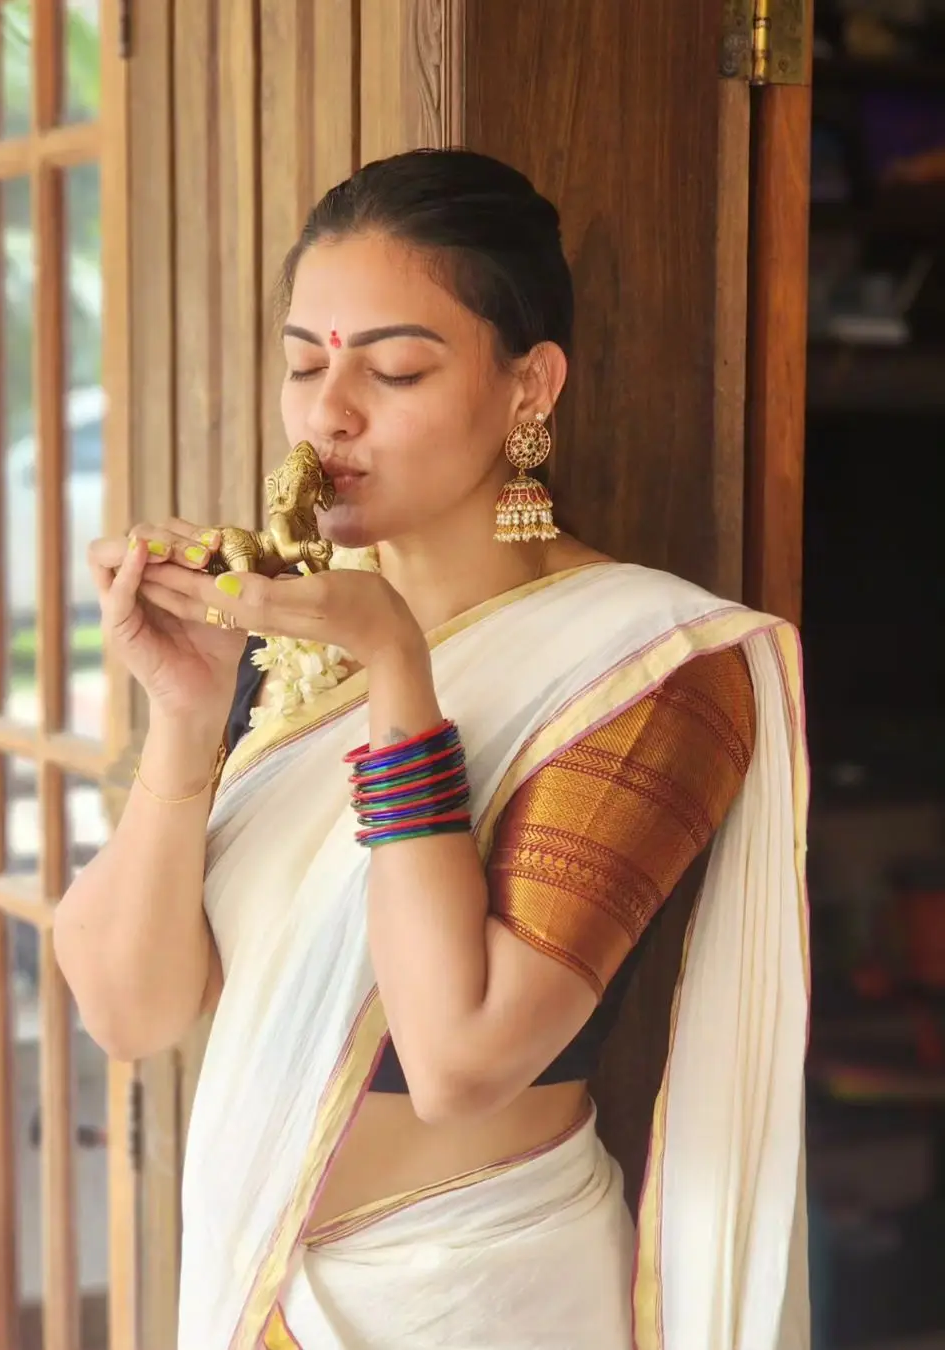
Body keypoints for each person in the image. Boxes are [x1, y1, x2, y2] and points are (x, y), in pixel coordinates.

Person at [56, 148, 810, 1350]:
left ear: (531, 389)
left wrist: (403, 677)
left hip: (482, 1294)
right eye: (305, 362)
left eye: (395, 367)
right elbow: (128, 1008)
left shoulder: (649, 666)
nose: (328, 411)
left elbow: (461, 1057)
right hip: (260, 1290)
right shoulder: (287, 634)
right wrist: (187, 724)